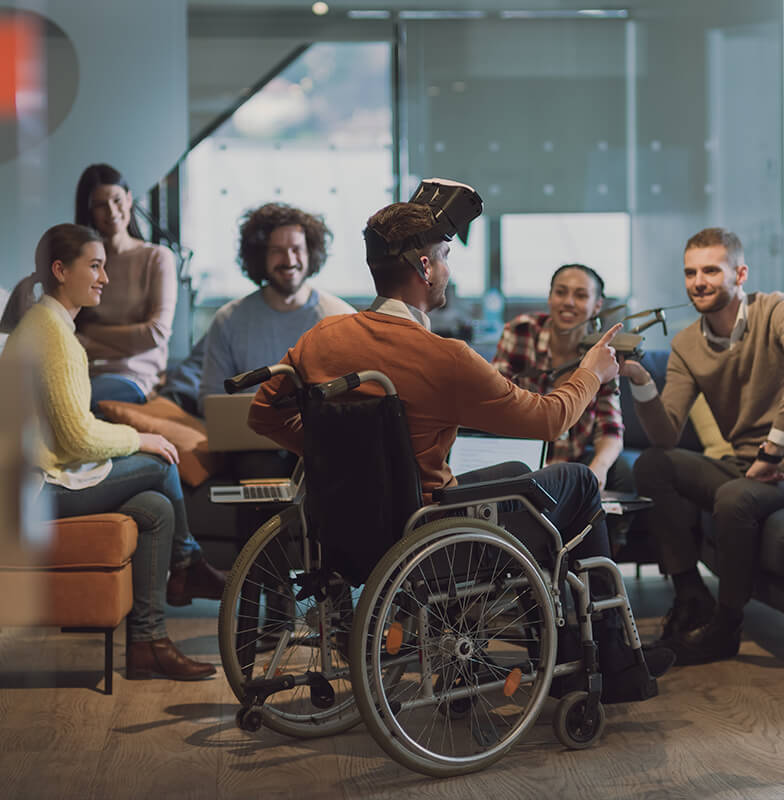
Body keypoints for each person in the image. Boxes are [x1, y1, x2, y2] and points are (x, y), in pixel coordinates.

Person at [249, 180, 674, 703]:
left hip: (347, 525)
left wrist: (341, 461)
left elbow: (263, 413)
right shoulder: (444, 357)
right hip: (431, 535)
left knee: (529, 480)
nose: (449, 267)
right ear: (425, 267)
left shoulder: (321, 338)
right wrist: (591, 371)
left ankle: (574, 649)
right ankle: (607, 660)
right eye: (446, 255)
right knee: (579, 481)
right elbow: (548, 419)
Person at [0, 224, 224, 681]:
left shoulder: (50, 326)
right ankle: (188, 564)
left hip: (41, 480)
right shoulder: (51, 334)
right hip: (33, 491)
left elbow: (70, 432)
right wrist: (141, 439)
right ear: (61, 271)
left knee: (156, 509)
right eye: (95, 266)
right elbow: (76, 439)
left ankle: (148, 644)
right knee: (161, 465)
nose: (104, 278)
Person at [623, 227, 784, 666]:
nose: (699, 281)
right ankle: (691, 594)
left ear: (741, 273)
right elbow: (666, 435)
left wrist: (773, 449)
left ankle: (726, 626)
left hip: (779, 465)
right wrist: (641, 383)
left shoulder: (775, 313)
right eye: (691, 272)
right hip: (743, 465)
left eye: (712, 270)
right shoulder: (687, 344)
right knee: (654, 464)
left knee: (734, 498)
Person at [198, 202, 355, 414]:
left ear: (311, 253)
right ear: (260, 257)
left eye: (297, 249)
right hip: (249, 441)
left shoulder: (341, 318)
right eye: (277, 251)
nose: (289, 260)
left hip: (322, 443)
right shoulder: (228, 320)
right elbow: (211, 401)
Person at [493, 264, 632, 493]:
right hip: (522, 459)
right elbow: (494, 401)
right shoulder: (521, 331)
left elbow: (611, 428)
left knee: (621, 471)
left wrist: (599, 467)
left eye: (580, 295)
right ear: (550, 297)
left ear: (597, 305)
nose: (568, 302)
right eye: (560, 292)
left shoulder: (602, 353)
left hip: (573, 465)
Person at [74, 163, 178, 407]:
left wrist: (90, 332)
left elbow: (156, 333)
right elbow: (69, 335)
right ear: (89, 210)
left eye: (117, 200)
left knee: (72, 404)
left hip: (135, 378)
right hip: (82, 373)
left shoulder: (157, 258)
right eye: (100, 204)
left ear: (129, 199)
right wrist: (129, 343)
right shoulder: (82, 263)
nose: (111, 211)